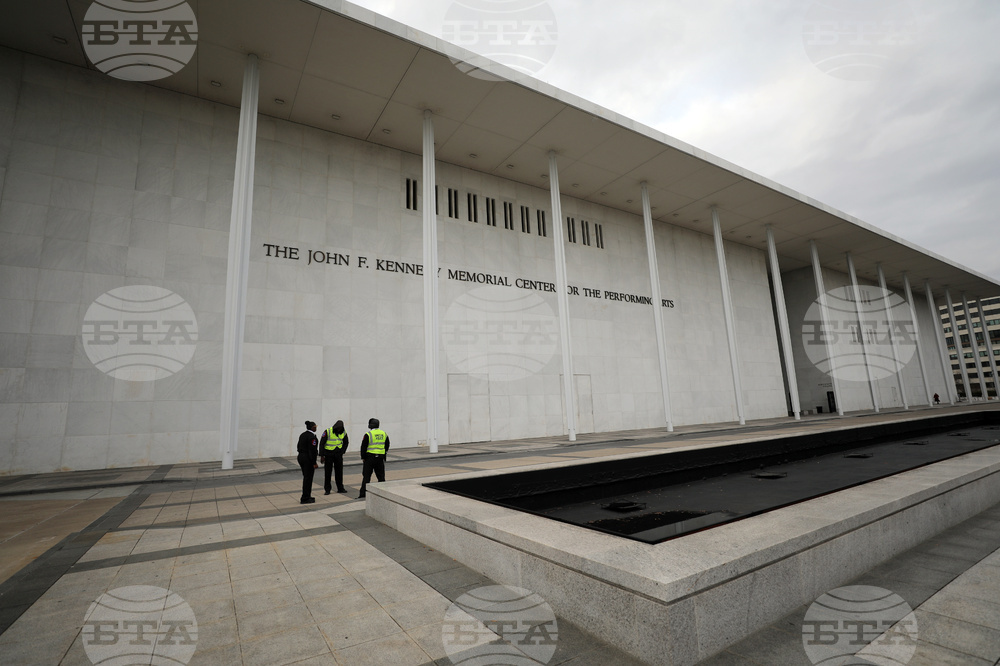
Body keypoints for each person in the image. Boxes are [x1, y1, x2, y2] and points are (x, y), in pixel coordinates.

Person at [357, 417, 389, 499]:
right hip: (380, 458)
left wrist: (363, 457)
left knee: (366, 477)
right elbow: (387, 444)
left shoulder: (368, 434)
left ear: (370, 425)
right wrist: (383, 452)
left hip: (370, 458)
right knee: (381, 477)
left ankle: (363, 494)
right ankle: (383, 493)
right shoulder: (384, 433)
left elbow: (363, 447)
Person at [319, 420, 349, 494]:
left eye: (340, 428)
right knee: (328, 473)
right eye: (338, 428)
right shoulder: (328, 431)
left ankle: (340, 488)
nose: (339, 430)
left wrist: (342, 451)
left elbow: (346, 442)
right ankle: (327, 489)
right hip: (328, 454)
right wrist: (322, 455)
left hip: (338, 454)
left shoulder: (343, 432)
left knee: (339, 472)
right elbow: (322, 443)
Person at [297, 421, 319, 504]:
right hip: (308, 459)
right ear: (312, 427)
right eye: (315, 427)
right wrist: (314, 462)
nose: (316, 428)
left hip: (301, 456)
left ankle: (307, 495)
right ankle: (305, 497)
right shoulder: (312, 437)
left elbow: (298, 446)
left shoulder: (303, 435)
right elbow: (312, 451)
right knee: (308, 479)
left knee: (306, 477)